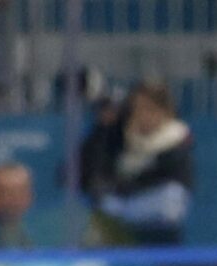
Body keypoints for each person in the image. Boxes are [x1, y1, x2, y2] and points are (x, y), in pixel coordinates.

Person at [80, 80, 193, 247]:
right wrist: (103, 128)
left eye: (149, 109)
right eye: (137, 109)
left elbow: (169, 182)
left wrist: (125, 189)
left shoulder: (178, 140)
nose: (142, 115)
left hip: (158, 217)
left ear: (165, 111)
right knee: (106, 209)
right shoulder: (120, 138)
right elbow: (88, 170)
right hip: (122, 216)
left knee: (171, 197)